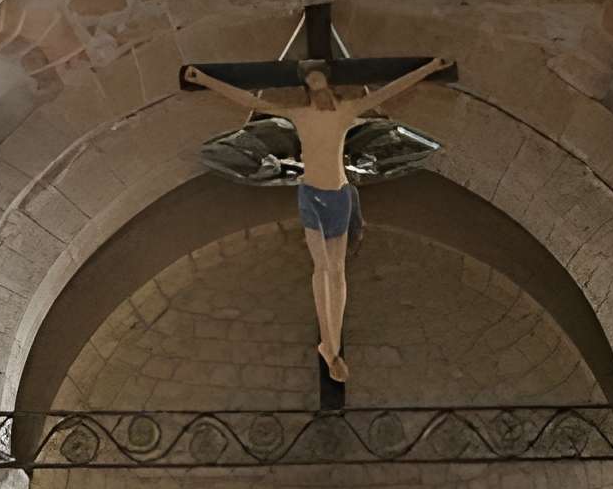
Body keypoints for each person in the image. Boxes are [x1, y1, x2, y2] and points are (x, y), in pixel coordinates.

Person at [182, 55, 448, 383]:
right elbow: (250, 100)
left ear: (330, 86)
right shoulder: (299, 114)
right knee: (321, 267)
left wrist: (430, 69)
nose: (317, 87)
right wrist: (205, 80)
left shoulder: (348, 111)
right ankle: (328, 345)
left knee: (336, 270)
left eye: (321, 81)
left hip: (337, 196)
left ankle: (331, 344)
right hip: (310, 195)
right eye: (312, 83)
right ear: (308, 89)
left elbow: (388, 92)